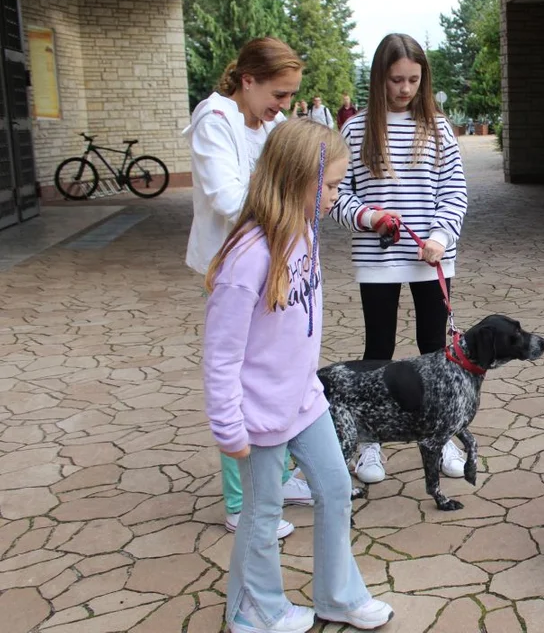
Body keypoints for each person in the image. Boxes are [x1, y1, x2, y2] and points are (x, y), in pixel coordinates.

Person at [204, 118, 394, 633]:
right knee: (262, 516)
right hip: (260, 414)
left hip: (305, 401)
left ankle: (337, 595)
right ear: (295, 180)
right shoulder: (249, 257)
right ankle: (253, 611)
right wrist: (228, 426)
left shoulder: (303, 235)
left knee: (335, 489)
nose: (337, 195)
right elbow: (220, 354)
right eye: (331, 185)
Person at [184, 37, 313, 540]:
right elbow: (228, 197)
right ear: (247, 80)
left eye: (289, 97)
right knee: (241, 378)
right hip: (233, 268)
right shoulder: (214, 121)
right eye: (278, 95)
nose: (284, 107)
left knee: (277, 369)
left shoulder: (272, 124)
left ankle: (276, 479)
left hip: (273, 263)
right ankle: (242, 503)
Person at [328, 33, 468, 486]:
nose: (405, 89)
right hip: (378, 258)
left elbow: (455, 191)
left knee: (436, 355)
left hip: (432, 260)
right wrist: (370, 217)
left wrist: (441, 237)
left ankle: (440, 434)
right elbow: (336, 197)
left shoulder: (439, 127)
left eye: (413, 79)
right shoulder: (356, 128)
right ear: (379, 78)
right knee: (378, 351)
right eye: (396, 80)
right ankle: (370, 442)